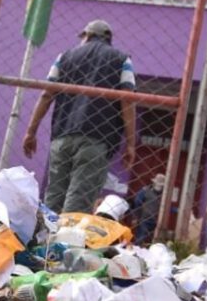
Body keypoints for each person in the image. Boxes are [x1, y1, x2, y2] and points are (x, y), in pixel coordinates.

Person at [22, 19, 136, 213]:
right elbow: (127, 101)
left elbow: (47, 94)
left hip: (62, 135)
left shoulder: (64, 57)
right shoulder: (122, 60)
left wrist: (30, 132)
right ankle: (66, 239)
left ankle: (45, 238)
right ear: (108, 38)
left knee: (54, 196)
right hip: (97, 137)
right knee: (79, 200)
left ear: (87, 35)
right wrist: (131, 143)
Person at [130, 174, 165, 244]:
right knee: (140, 238)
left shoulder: (164, 194)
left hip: (158, 221)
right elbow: (137, 202)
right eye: (158, 184)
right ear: (154, 182)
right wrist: (136, 217)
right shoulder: (145, 190)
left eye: (161, 185)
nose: (159, 186)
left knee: (153, 241)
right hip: (145, 219)